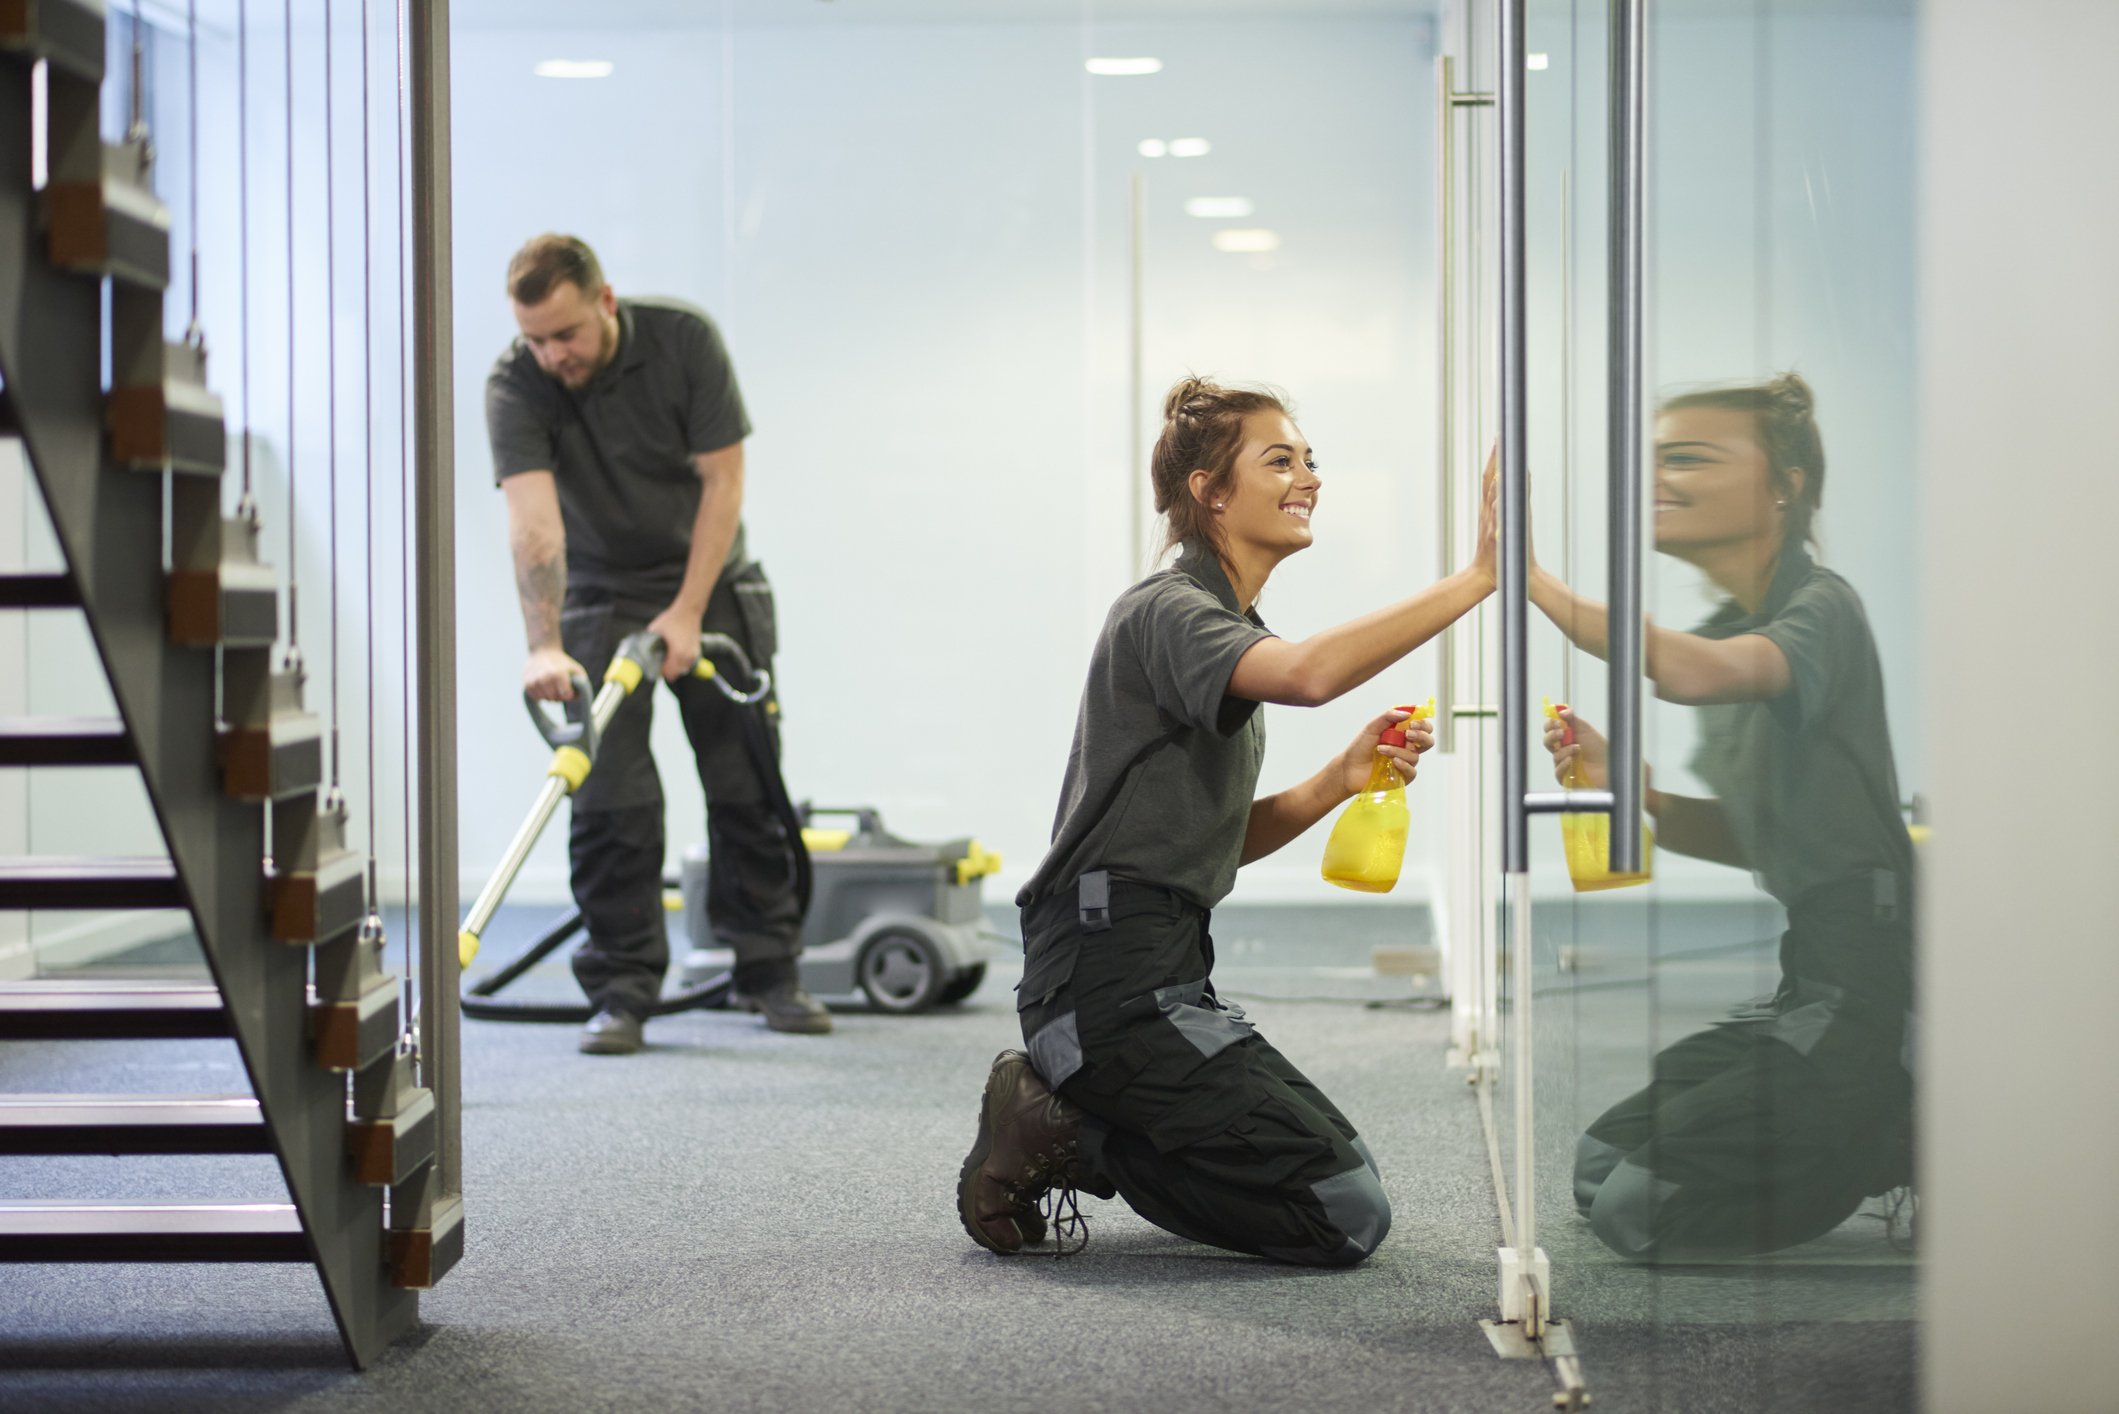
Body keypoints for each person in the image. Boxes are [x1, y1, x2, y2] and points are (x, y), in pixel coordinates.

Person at [955, 377, 1497, 1264]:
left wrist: (1337, 780)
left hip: (1162, 972)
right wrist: (1479, 577)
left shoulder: (1223, 620)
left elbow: (1201, 843)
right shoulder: (1169, 609)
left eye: (1309, 459)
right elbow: (1311, 674)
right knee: (1342, 1215)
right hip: (1101, 987)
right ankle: (1060, 1125)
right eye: (1277, 459)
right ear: (1208, 490)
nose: (1307, 476)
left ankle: (1079, 1113)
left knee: (1342, 1177)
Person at [1533, 373, 1915, 1260]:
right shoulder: (1732, 621)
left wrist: (1529, 583)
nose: (1656, 478)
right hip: (1807, 978)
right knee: (1601, 1165)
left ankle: (1894, 1123)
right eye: (1653, 459)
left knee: (1641, 1212)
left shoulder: (1821, 609)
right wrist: (1643, 797)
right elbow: (1764, 839)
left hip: (1869, 986)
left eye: (1689, 458)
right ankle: (1869, 1117)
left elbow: (1692, 671)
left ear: (1783, 483)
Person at [485, 233, 829, 1055]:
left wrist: (686, 610)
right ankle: (622, 989)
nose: (550, 353)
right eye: (535, 338)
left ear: (604, 301)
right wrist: (542, 643)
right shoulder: (516, 382)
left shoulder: (682, 341)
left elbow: (724, 482)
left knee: (746, 785)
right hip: (598, 597)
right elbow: (533, 524)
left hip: (709, 582)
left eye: (564, 333)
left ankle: (766, 972)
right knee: (609, 803)